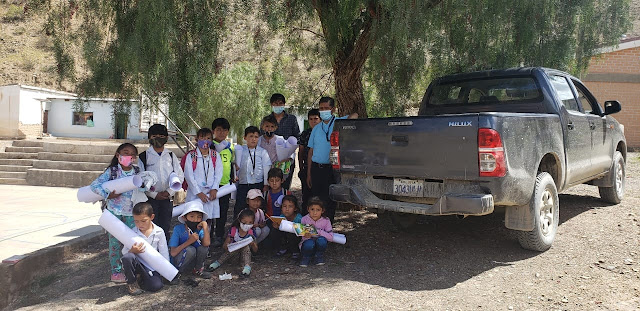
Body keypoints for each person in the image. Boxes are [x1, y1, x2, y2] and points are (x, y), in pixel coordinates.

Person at [90, 143, 146, 283]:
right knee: (114, 244)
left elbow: (143, 189)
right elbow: (94, 186)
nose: (129, 156)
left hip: (131, 212)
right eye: (125, 153)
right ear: (118, 154)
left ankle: (133, 269)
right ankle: (116, 271)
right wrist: (107, 195)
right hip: (114, 213)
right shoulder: (112, 171)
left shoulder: (137, 171)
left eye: (132, 154)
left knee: (132, 241)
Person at [306, 96, 358, 223]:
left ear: (333, 109)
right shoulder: (316, 128)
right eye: (321, 108)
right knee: (316, 198)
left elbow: (355, 116)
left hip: (332, 168)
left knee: (330, 198)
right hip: (316, 168)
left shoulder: (339, 122)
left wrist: (343, 122)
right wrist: (308, 173)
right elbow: (310, 151)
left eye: (326, 108)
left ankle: (328, 225)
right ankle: (316, 226)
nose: (323, 111)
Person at [138, 124, 184, 238]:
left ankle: (164, 251)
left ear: (166, 138)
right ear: (149, 138)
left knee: (165, 226)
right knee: (150, 226)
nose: (158, 138)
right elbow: (140, 178)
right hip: (150, 199)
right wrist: (154, 194)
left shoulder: (170, 155)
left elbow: (179, 175)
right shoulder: (144, 156)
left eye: (161, 136)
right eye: (154, 136)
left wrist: (169, 192)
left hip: (167, 199)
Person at [121, 202, 168, 295]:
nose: (139, 224)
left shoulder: (159, 231)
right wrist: (132, 251)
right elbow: (124, 252)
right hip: (137, 264)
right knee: (128, 257)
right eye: (136, 221)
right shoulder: (132, 233)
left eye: (143, 221)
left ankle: (141, 279)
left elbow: (164, 251)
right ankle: (132, 282)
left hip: (151, 265)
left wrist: (166, 270)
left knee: (156, 286)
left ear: (152, 217)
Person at [184, 128, 223, 234]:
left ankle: (206, 243)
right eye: (202, 138)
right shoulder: (191, 156)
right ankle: (192, 242)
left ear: (212, 140)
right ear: (197, 139)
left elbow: (218, 173)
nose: (205, 141)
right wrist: (198, 192)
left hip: (210, 193)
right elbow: (189, 176)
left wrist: (215, 188)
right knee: (193, 218)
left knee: (208, 219)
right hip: (195, 194)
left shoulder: (215, 155)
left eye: (208, 138)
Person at [207, 209, 258, 278]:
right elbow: (225, 247)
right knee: (236, 247)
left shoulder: (251, 232)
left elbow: (255, 250)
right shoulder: (234, 230)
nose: (247, 225)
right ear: (239, 221)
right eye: (244, 222)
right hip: (232, 256)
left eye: (250, 223)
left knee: (245, 247)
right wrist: (228, 245)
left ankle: (247, 268)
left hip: (244, 258)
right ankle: (218, 262)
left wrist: (253, 244)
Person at [168, 202, 212, 284]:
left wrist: (205, 226)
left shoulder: (199, 229)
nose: (195, 220)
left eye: (199, 217)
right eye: (192, 216)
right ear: (184, 217)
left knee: (203, 248)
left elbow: (206, 244)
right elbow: (173, 253)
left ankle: (198, 269)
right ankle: (177, 273)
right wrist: (189, 241)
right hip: (179, 260)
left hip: (193, 261)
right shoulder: (178, 229)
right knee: (190, 249)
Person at [234, 126, 271, 217]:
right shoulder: (240, 150)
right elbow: (234, 165)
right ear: (245, 138)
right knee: (240, 207)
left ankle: (257, 226)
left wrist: (266, 184)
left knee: (257, 207)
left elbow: (266, 167)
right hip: (243, 184)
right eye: (251, 136)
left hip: (257, 184)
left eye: (256, 137)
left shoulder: (262, 152)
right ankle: (237, 229)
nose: (253, 139)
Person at [210, 118, 235, 247]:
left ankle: (219, 235)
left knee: (222, 211)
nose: (221, 132)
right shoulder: (209, 145)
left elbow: (231, 164)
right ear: (214, 131)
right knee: (210, 212)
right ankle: (208, 235)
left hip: (225, 186)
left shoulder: (230, 147)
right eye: (218, 129)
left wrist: (232, 177)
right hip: (211, 186)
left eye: (224, 130)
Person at [267, 93, 300, 190]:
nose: (278, 105)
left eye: (280, 103)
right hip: (271, 159)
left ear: (284, 104)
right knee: (271, 186)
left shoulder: (291, 119)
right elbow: (262, 138)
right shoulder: (267, 120)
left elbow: (297, 137)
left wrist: (289, 155)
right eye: (275, 103)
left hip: (287, 160)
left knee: (284, 186)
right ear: (271, 104)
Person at [297, 109, 321, 214]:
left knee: (318, 196)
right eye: (311, 119)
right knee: (306, 196)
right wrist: (302, 168)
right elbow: (301, 151)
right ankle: (305, 218)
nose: (313, 121)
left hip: (320, 168)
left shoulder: (323, 133)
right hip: (307, 167)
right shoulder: (305, 134)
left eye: (316, 119)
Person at [259, 115, 294, 183]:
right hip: (262, 172)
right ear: (262, 127)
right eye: (267, 126)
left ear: (275, 128)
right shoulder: (259, 140)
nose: (269, 129)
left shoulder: (280, 139)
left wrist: (287, 159)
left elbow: (290, 153)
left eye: (272, 126)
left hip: (276, 172)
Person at [299, 197, 334, 267]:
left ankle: (318, 256)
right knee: (309, 243)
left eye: (318, 210)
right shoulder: (304, 219)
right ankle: (306, 257)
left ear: (322, 210)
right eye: (312, 209)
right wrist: (305, 235)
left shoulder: (326, 221)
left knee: (322, 240)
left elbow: (331, 237)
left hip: (319, 242)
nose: (315, 213)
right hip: (307, 244)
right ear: (308, 209)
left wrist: (318, 231)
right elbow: (299, 234)